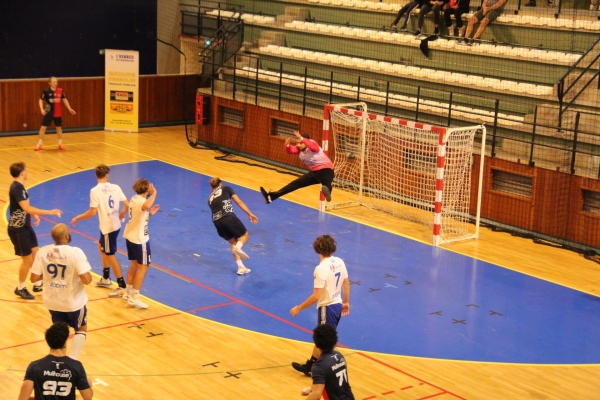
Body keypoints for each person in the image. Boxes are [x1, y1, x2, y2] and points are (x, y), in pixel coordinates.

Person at [290, 235, 350, 377]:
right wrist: (346, 302)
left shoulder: (321, 268)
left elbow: (316, 296)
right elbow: (346, 284)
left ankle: (323, 369)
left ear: (317, 249)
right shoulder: (340, 261)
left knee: (324, 342)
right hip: (337, 305)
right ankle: (310, 366)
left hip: (327, 307)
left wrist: (299, 307)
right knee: (324, 339)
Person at [31, 224, 93, 361]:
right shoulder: (75, 252)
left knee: (60, 332)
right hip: (73, 302)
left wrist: (48, 276)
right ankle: (73, 360)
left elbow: (34, 278)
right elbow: (86, 280)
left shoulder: (43, 252)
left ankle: (59, 361)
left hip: (52, 302)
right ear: (66, 236)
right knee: (81, 328)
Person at [71, 164, 129, 297]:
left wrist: (77, 217)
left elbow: (92, 213)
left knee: (109, 254)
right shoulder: (116, 187)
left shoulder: (95, 190)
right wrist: (122, 213)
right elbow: (127, 203)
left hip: (108, 227)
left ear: (96, 175)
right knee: (100, 246)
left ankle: (121, 285)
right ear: (107, 175)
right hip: (114, 225)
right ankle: (106, 277)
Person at [8, 162, 62, 300]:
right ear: (22, 173)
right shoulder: (17, 188)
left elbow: (23, 207)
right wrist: (49, 212)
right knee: (27, 260)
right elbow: (26, 208)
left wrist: (34, 214)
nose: (26, 172)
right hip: (18, 230)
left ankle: (38, 283)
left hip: (26, 227)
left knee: (37, 256)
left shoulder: (20, 187)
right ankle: (20, 287)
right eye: (25, 170)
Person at [18, 322, 93, 400]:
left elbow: (23, 398)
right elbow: (88, 397)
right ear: (65, 342)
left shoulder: (35, 366)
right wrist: (87, 385)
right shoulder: (76, 366)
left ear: (48, 341)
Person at [260, 131, 334, 204]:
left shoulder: (313, 145)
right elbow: (290, 151)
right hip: (314, 173)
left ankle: (327, 193)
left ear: (305, 141)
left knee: (326, 182)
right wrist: (287, 145)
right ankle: (270, 197)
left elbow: (312, 146)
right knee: (294, 184)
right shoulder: (299, 149)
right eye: (297, 143)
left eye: (300, 143)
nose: (298, 145)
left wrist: (301, 138)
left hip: (326, 169)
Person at [208, 177, 258, 275]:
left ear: (211, 188)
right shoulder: (226, 188)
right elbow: (239, 202)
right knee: (245, 235)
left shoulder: (209, 199)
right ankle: (238, 248)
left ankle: (240, 267)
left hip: (217, 222)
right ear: (220, 184)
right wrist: (249, 213)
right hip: (227, 217)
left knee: (233, 242)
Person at [123, 178, 160, 309]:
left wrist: (150, 214)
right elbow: (145, 205)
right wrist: (154, 193)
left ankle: (127, 292)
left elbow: (141, 213)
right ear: (147, 189)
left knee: (134, 264)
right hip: (140, 239)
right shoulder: (142, 201)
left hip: (130, 236)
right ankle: (135, 297)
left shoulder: (134, 198)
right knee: (143, 267)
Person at [300, 324, 354, 400]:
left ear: (316, 344)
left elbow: (316, 395)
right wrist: (311, 388)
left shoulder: (319, 367)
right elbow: (332, 380)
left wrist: (314, 392)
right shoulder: (339, 356)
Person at [34, 76, 76, 151]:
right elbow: (40, 100)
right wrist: (41, 109)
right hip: (48, 112)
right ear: (49, 83)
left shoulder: (60, 90)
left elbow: (64, 99)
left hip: (58, 112)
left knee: (59, 128)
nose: (55, 83)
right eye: (53, 82)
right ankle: (39, 144)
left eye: (56, 82)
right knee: (43, 128)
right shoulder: (46, 91)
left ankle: (60, 144)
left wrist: (69, 108)